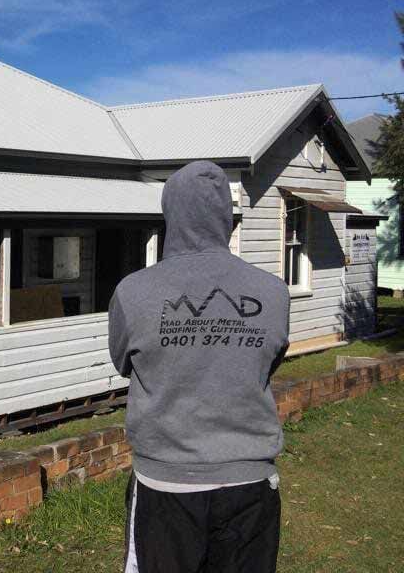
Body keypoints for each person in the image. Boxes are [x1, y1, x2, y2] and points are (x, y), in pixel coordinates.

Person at [108, 160, 290, 573]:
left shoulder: (134, 292)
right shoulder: (273, 293)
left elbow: (124, 362)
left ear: (170, 214)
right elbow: (265, 363)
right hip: (249, 488)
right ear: (226, 217)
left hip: (166, 488)